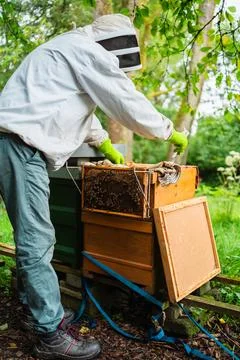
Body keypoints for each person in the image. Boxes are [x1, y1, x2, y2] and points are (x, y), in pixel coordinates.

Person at [0, 13, 188, 360]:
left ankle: (34, 309)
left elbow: (80, 110)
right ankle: (49, 334)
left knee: (35, 237)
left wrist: (106, 147)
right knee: (37, 241)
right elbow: (123, 100)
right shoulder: (85, 50)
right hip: (20, 147)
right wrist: (166, 130)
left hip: (15, 145)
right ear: (114, 45)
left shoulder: (68, 52)